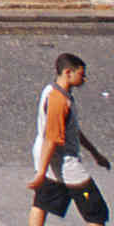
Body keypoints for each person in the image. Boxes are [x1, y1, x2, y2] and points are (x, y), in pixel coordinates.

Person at [32, 52, 110, 225]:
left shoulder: (50, 90)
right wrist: (41, 174)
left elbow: (72, 131)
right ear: (68, 72)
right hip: (66, 165)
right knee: (96, 212)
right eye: (81, 74)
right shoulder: (59, 101)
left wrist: (95, 154)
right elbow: (52, 139)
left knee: (41, 203)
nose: (84, 79)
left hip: (48, 163)